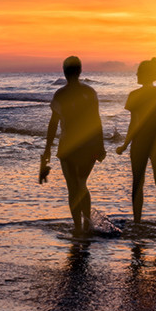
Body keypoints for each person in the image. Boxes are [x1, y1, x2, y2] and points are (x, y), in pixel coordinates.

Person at [42, 56, 106, 236]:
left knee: (73, 187)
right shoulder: (90, 92)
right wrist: (101, 146)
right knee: (81, 184)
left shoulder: (60, 94)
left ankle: (78, 227)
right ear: (80, 71)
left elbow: (53, 123)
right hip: (90, 144)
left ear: (64, 72)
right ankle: (86, 226)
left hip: (68, 145)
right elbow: (97, 120)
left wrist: (47, 148)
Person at [116, 57, 156, 232]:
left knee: (137, 184)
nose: (136, 74)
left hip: (140, 143)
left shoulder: (134, 95)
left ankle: (138, 223)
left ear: (145, 74)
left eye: (139, 72)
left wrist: (125, 145)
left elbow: (134, 124)